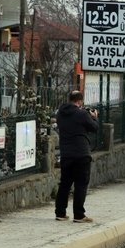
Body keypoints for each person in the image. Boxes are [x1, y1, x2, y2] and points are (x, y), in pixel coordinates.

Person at [54, 90, 99, 223]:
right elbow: (94, 128)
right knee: (80, 184)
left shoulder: (60, 114)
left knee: (65, 183)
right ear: (79, 101)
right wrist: (94, 117)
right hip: (81, 153)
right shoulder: (82, 114)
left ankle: (60, 213)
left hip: (66, 153)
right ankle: (79, 215)